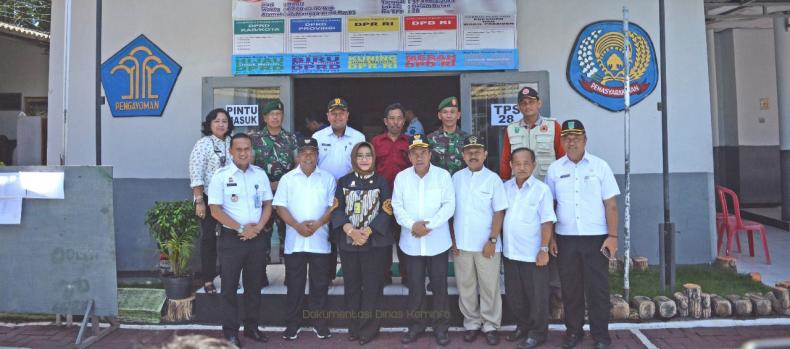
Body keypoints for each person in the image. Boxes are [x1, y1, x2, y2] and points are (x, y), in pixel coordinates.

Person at [545, 120, 620, 349]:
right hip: (566, 239)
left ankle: (601, 336)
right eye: (567, 137)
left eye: (576, 137)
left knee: (598, 288)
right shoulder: (555, 169)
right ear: (562, 141)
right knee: (571, 288)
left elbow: (611, 205)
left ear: (585, 140)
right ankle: (573, 332)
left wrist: (613, 236)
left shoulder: (600, 167)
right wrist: (551, 238)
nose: (571, 141)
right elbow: (550, 206)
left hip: (596, 238)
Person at [207, 133, 273, 348]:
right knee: (229, 288)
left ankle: (252, 328)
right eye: (239, 149)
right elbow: (215, 210)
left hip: (256, 238)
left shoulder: (259, 174)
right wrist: (241, 228)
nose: (243, 153)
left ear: (251, 151)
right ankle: (231, 332)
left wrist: (258, 228)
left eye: (247, 149)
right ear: (231, 151)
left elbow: (267, 205)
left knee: (254, 286)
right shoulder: (221, 176)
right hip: (232, 239)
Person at [392, 134, 455, 346]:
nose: (419, 157)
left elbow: (449, 206)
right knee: (415, 286)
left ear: (429, 154)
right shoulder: (401, 177)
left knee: (439, 286)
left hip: (436, 240)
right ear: (409, 156)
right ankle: (416, 325)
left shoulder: (443, 176)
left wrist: (428, 226)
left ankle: (441, 327)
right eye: (414, 153)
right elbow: (397, 207)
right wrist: (413, 226)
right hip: (411, 242)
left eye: (423, 153)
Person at [273, 137, 337, 341]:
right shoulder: (287, 179)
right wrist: (297, 226)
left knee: (320, 285)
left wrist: (318, 224)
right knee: (295, 285)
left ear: (317, 155)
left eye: (312, 152)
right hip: (295, 240)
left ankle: (320, 324)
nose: (308, 156)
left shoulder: (327, 178)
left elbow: (331, 207)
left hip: (320, 240)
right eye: (304, 152)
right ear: (298, 155)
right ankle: (293, 324)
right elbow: (280, 206)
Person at [331, 142, 394, 345]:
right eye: (360, 156)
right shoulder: (343, 181)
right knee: (352, 286)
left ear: (374, 158)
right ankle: (354, 327)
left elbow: (387, 209)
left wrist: (367, 231)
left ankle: (369, 328)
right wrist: (350, 230)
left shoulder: (382, 181)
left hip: (374, 243)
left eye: (368, 155)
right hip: (350, 243)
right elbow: (337, 209)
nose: (364, 159)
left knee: (372, 286)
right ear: (354, 159)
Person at [450, 135, 508, 346]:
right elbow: (450, 211)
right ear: (463, 156)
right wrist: (453, 241)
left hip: (487, 245)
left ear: (485, 154)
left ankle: (491, 325)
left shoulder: (493, 179)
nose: (473, 155)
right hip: (462, 245)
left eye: (477, 151)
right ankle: (472, 323)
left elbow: (499, 212)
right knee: (465, 286)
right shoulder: (455, 178)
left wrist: (492, 239)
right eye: (469, 152)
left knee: (489, 286)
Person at [502, 147, 557, 349]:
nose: (522, 167)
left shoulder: (541, 190)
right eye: (517, 163)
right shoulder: (505, 188)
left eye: (526, 163)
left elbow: (547, 222)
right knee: (516, 296)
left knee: (537, 297)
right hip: (510, 252)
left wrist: (543, 249)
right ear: (511, 166)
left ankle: (538, 333)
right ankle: (522, 327)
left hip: (533, 255)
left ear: (533, 166)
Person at [314, 97, 366, 281]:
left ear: (347, 115)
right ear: (327, 116)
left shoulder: (358, 137)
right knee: (326, 233)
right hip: (323, 193)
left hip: (349, 193)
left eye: (341, 113)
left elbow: (362, 163)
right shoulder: (318, 138)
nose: (338, 117)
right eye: (334, 113)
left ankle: (352, 277)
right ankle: (326, 277)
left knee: (347, 232)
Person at [250, 99, 298, 282]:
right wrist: (266, 186)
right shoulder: (254, 139)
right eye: (272, 114)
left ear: (283, 116)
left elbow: (297, 164)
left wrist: (281, 184)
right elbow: (250, 166)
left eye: (278, 114)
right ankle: (259, 276)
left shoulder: (291, 138)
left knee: (289, 236)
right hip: (262, 197)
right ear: (265, 117)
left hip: (286, 195)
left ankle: (291, 276)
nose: (275, 117)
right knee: (262, 238)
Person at [188, 108, 233, 294]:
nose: (221, 124)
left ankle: (228, 275)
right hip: (207, 198)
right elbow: (195, 173)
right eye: (217, 121)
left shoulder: (232, 143)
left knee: (230, 239)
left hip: (230, 198)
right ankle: (207, 279)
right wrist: (199, 200)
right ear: (209, 124)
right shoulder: (203, 144)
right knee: (208, 239)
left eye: (224, 121)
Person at [370, 102, 411, 284]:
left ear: (404, 121)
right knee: (383, 239)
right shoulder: (375, 142)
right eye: (392, 119)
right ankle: (383, 276)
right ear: (386, 121)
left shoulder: (410, 142)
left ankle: (408, 275)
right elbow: (370, 167)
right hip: (382, 198)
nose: (396, 122)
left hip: (406, 198)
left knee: (405, 236)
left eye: (399, 118)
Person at [499, 87, 564, 181]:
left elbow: (562, 157)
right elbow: (506, 160)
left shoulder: (553, 126)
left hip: (547, 183)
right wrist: (504, 181)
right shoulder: (511, 129)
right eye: (523, 103)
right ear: (518, 107)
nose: (527, 106)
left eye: (531, 102)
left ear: (539, 103)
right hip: (519, 185)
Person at [427, 96, 468, 175]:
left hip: (462, 185)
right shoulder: (430, 139)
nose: (449, 116)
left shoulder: (467, 139)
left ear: (458, 115)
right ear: (439, 115)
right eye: (445, 112)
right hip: (438, 185)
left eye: (452, 112)